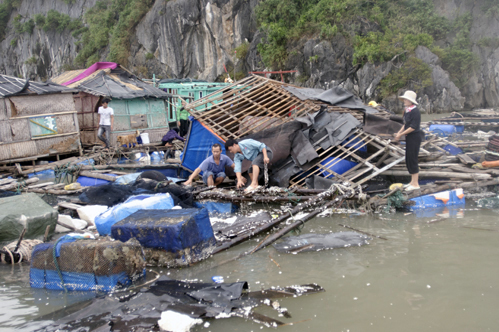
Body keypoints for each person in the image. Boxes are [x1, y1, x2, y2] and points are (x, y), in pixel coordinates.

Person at [393, 90, 422, 191]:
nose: (404, 100)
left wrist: (401, 134)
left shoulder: (415, 111)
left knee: (413, 158)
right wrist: (399, 132)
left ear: (411, 101)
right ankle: (412, 182)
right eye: (404, 99)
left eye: (406, 99)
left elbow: (413, 127)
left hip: (415, 137)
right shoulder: (407, 110)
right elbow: (405, 124)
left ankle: (416, 184)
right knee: (408, 158)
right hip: (408, 137)